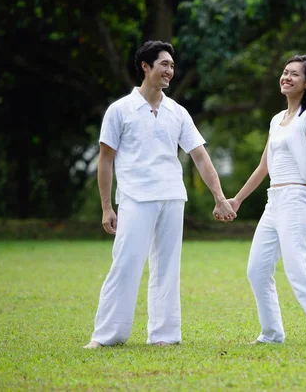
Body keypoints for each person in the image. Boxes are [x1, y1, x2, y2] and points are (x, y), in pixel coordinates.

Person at [84, 40, 236, 349]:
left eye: (172, 65)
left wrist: (220, 197)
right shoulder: (120, 110)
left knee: (167, 267)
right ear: (145, 67)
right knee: (126, 264)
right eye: (164, 64)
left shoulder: (177, 112)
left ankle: (165, 335)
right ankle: (107, 336)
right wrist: (105, 206)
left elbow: (200, 156)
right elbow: (106, 160)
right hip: (135, 198)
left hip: (172, 197)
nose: (170, 71)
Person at [223, 55, 306, 347]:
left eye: (294, 74)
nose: (286, 77)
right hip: (273, 199)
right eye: (284, 72)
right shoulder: (276, 120)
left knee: (296, 268)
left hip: (297, 198)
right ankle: (272, 333)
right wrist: (238, 199)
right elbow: (264, 166)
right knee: (257, 269)